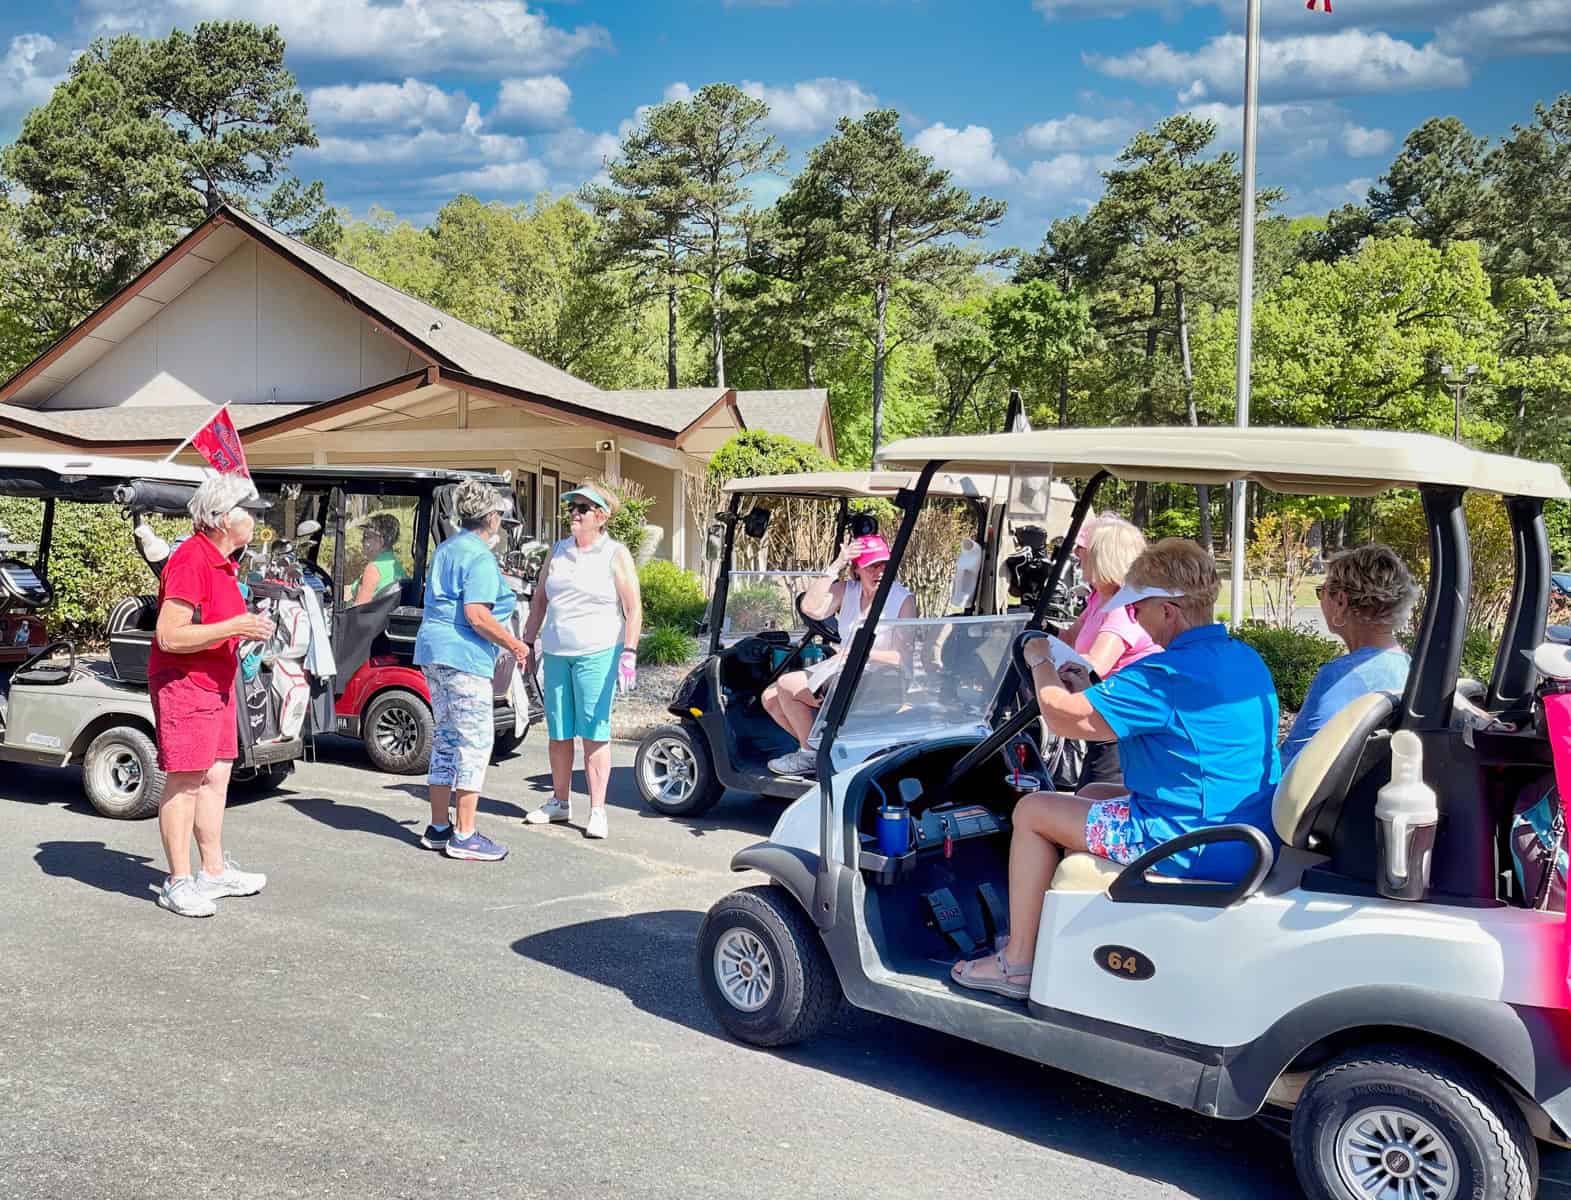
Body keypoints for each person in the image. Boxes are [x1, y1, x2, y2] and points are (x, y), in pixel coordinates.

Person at [953, 538, 1281, 999]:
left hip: (1186, 840)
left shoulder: (1165, 673)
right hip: (1238, 827)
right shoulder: (1243, 659)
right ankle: (1063, 938)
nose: (1133, 617)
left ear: (1168, 610)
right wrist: (1089, 687)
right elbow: (1128, 725)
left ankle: (1019, 961)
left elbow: (1060, 716)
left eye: (1138, 608)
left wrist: (1040, 660)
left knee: (1031, 811)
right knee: (1087, 796)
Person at [150, 473, 276, 918]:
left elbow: (214, 626)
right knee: (185, 780)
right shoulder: (191, 558)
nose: (258, 520)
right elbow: (169, 635)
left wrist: (245, 631)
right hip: (185, 684)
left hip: (217, 683)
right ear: (223, 519)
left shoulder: (225, 561)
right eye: (252, 513)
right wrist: (235, 627)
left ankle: (213, 871)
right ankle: (178, 881)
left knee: (217, 775)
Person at [413, 479, 529, 861]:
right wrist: (513, 643)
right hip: (463, 654)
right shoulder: (479, 556)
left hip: (433, 649)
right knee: (475, 742)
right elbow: (477, 614)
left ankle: (439, 826)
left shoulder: (447, 548)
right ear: (492, 518)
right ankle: (464, 834)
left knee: (446, 737)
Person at [521, 483, 643, 840]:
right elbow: (540, 601)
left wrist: (629, 652)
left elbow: (633, 609)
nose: (574, 514)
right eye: (572, 508)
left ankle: (597, 810)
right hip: (558, 652)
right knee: (559, 733)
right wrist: (527, 643)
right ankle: (559, 802)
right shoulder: (558, 551)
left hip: (599, 652)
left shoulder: (615, 554)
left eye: (583, 509)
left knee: (593, 733)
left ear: (601, 517)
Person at [762, 534, 917, 778]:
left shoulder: (901, 599)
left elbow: (899, 657)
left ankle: (809, 754)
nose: (879, 572)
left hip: (880, 677)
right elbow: (811, 608)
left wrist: (855, 652)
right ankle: (825, 750)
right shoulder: (848, 590)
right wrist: (836, 565)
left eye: (884, 566)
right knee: (770, 697)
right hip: (844, 666)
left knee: (786, 684)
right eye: (872, 566)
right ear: (857, 568)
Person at [1280, 544, 1415, 768]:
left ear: (1341, 602)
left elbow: (1293, 764)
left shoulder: (1341, 676)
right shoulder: (1409, 667)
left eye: (1321, 592)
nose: (1320, 600)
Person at [1054, 515, 1159, 787]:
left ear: (1104, 556)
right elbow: (1070, 638)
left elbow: (1093, 667)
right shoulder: (1099, 597)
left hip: (1121, 728)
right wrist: (1034, 629)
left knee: (1089, 798)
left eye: (1085, 550)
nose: (1078, 554)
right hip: (1102, 714)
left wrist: (1042, 669)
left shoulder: (1124, 609)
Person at [348, 513, 407, 606]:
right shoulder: (396, 565)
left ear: (381, 541)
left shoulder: (373, 569)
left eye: (366, 537)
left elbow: (358, 610)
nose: (362, 541)